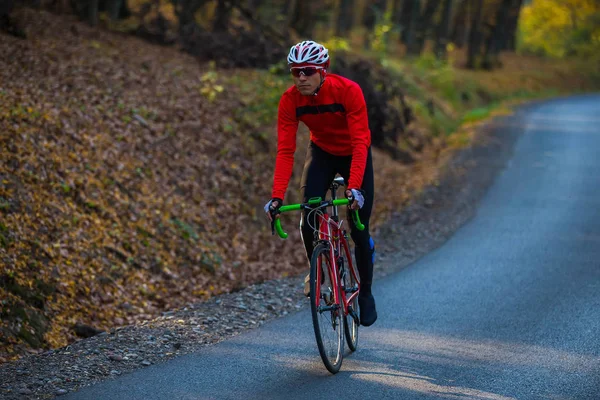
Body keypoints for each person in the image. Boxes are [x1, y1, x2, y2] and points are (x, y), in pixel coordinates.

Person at [264, 40, 377, 327]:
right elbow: (286, 150)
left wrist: (354, 187)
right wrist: (277, 196)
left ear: (323, 70)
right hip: (322, 153)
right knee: (309, 215)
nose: (301, 77)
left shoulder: (348, 91)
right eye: (295, 72)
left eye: (307, 71)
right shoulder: (290, 100)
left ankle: (365, 293)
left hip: (354, 152)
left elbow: (361, 140)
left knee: (358, 228)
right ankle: (318, 272)